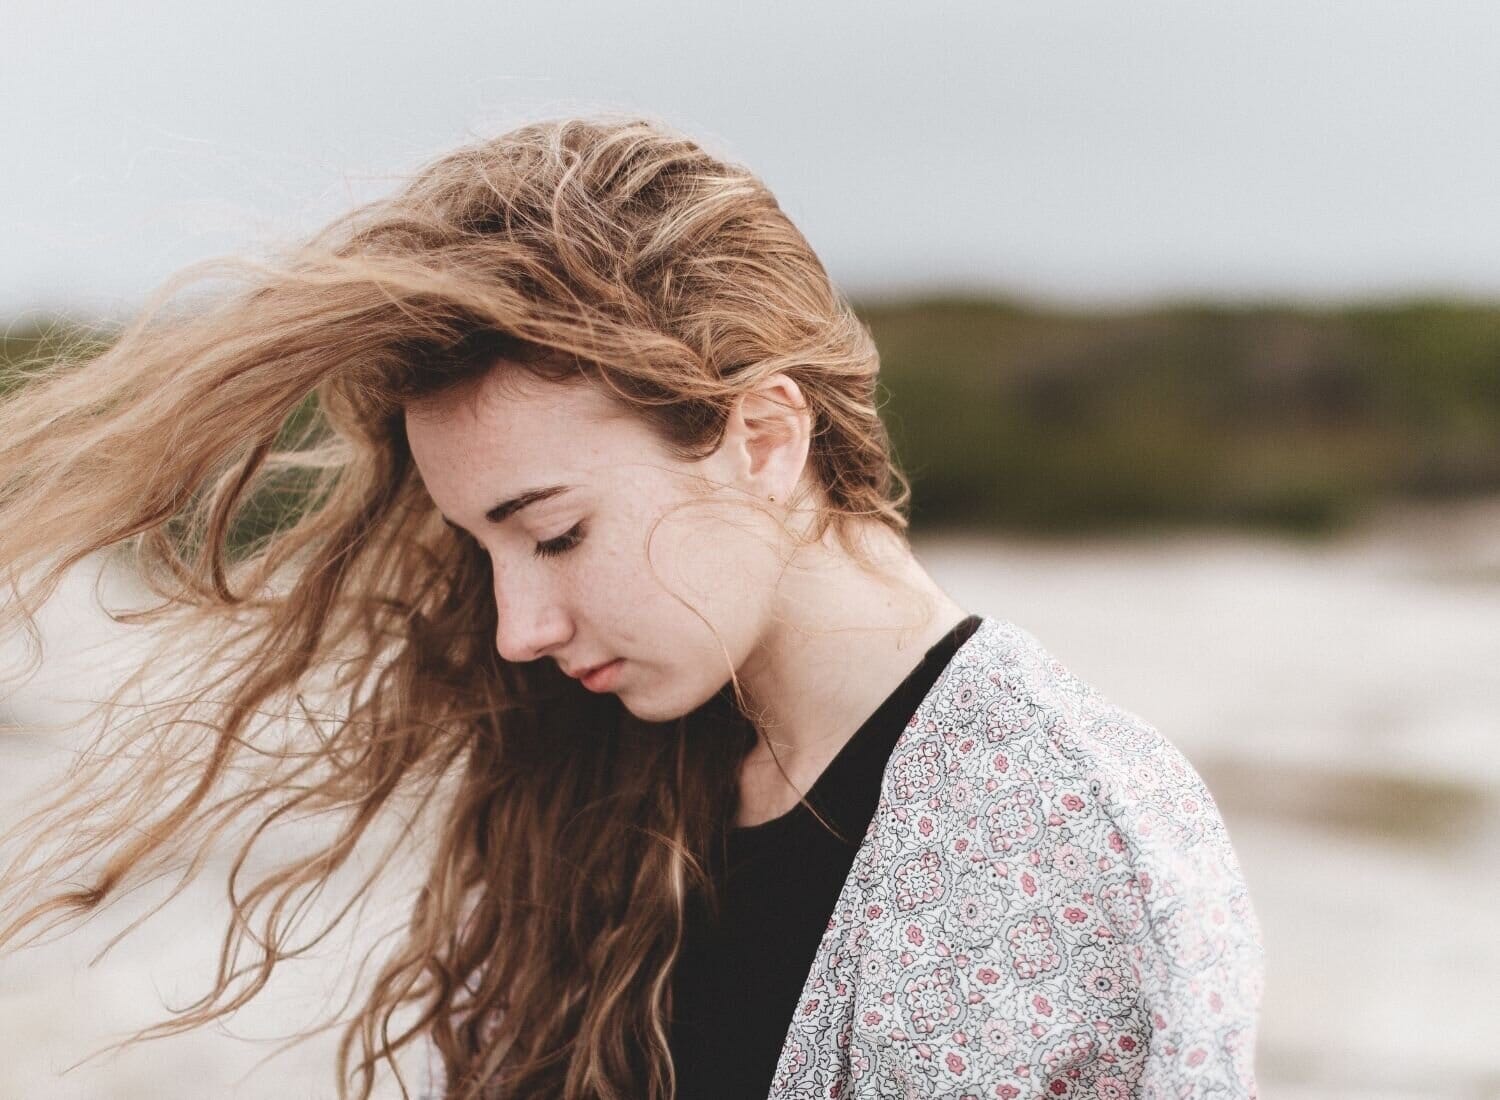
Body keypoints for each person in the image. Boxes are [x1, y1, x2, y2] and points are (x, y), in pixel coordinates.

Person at [0, 116, 1264, 1100]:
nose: (518, 628)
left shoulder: (1063, 838)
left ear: (764, 437)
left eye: (556, 533)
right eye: (486, 549)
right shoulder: (598, 777)